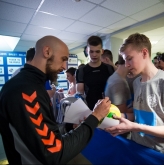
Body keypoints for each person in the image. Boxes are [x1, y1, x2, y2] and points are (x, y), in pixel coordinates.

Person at [0, 35, 111, 164]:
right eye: (63, 59)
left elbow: (47, 135)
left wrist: (80, 128)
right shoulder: (26, 91)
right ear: (47, 52)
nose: (64, 67)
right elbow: (55, 153)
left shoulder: (32, 84)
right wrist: (95, 117)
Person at [105, 33, 164, 154]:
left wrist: (134, 127)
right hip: (136, 146)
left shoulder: (163, 82)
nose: (126, 65)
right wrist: (119, 117)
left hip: (156, 154)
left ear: (144, 53)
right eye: (125, 60)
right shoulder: (136, 82)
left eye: (129, 58)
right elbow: (141, 116)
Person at [76, 36, 114, 110]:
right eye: (91, 51)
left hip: (108, 109)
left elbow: (114, 90)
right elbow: (80, 95)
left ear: (102, 51)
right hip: (89, 110)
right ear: (87, 51)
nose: (94, 55)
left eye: (97, 51)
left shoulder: (109, 68)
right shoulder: (81, 71)